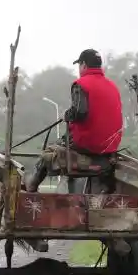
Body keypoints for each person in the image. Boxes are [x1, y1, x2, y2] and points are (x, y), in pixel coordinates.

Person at [24, 49, 124, 193]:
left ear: (84, 65)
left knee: (49, 151)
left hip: (87, 144)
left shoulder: (81, 84)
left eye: (79, 65)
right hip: (109, 146)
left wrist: (67, 115)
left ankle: (31, 184)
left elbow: (79, 112)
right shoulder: (113, 86)